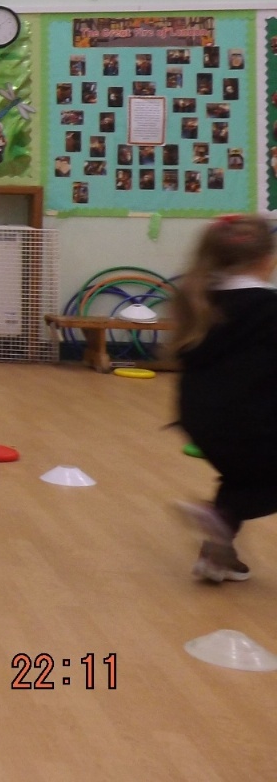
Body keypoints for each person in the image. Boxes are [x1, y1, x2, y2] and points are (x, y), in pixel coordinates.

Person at [170, 217, 277, 583]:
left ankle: (216, 558)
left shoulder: (201, 300)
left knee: (242, 476)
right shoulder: (269, 307)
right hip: (253, 418)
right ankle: (222, 517)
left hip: (201, 419)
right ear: (266, 260)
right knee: (261, 481)